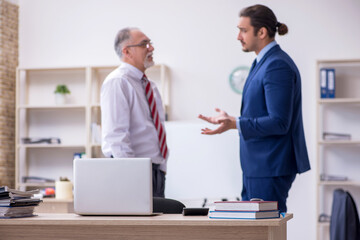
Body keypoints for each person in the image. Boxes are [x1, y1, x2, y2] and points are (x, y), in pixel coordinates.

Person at [198, 4, 310, 212]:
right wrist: (232, 121)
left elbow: (279, 122)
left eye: (243, 30)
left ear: (262, 32)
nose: (238, 36)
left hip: (269, 166)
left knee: (264, 231)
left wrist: (235, 123)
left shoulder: (277, 65)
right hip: (258, 166)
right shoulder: (262, 63)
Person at [101, 27, 168, 197]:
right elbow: (116, 137)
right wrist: (132, 175)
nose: (151, 48)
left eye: (150, 43)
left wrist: (161, 168)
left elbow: (157, 130)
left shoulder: (150, 85)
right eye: (144, 44)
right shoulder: (118, 82)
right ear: (127, 51)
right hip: (133, 172)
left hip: (155, 172)